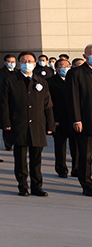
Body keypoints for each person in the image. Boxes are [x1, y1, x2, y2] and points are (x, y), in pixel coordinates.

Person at [0, 51, 54, 197]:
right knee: (20, 159)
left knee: (36, 159)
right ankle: (22, 186)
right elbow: (4, 103)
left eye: (30, 61)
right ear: (19, 63)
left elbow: (47, 105)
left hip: (37, 125)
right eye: (23, 61)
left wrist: (50, 124)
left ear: (35, 64)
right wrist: (6, 122)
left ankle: (37, 186)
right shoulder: (11, 81)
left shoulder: (41, 82)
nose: (26, 63)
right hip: (19, 124)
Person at [69, 44, 92, 195]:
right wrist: (77, 119)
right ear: (84, 56)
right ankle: (87, 184)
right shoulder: (76, 73)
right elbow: (72, 98)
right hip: (86, 120)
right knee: (86, 155)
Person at [49, 57, 75, 178]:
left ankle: (76, 169)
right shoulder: (50, 82)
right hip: (59, 119)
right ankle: (61, 169)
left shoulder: (74, 80)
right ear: (56, 68)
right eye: (61, 66)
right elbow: (49, 103)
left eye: (66, 66)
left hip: (73, 118)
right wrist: (53, 118)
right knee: (60, 146)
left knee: (76, 146)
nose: (64, 68)